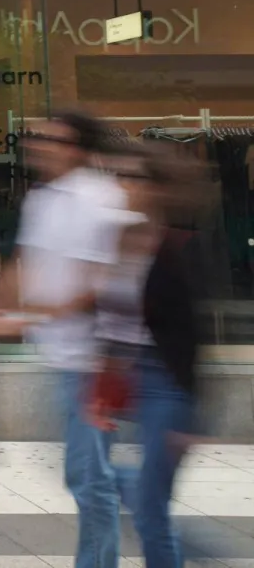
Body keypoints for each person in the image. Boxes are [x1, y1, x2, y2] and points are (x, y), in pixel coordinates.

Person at [0, 112, 129, 568]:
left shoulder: (101, 198)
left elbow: (98, 287)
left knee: (88, 477)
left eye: (52, 140)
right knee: (89, 472)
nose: (38, 146)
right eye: (36, 138)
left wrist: (18, 321)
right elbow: (23, 266)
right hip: (63, 357)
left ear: (77, 148)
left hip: (97, 359)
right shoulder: (43, 199)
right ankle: (145, 496)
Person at [84, 144, 208, 568]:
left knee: (151, 508)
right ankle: (193, 543)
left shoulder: (179, 247)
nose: (122, 186)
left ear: (156, 187)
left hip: (167, 387)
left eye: (132, 178)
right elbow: (114, 323)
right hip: (129, 377)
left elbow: (192, 335)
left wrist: (190, 415)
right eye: (117, 176)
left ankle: (185, 548)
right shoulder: (119, 240)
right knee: (92, 475)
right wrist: (103, 385)